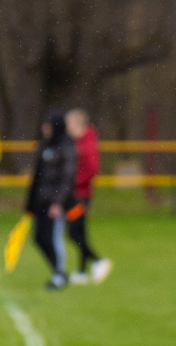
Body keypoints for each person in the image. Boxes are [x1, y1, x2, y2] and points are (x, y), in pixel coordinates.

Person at [25, 110, 76, 290]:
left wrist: (58, 203)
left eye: (47, 125)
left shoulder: (66, 148)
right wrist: (30, 203)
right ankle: (57, 270)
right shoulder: (44, 146)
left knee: (54, 238)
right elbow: (37, 177)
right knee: (39, 238)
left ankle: (59, 274)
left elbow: (66, 179)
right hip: (41, 201)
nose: (44, 129)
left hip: (54, 204)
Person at [65, 108, 111, 284]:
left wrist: (74, 182)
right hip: (76, 195)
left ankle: (98, 261)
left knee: (72, 232)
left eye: (70, 125)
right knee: (80, 231)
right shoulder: (78, 142)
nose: (68, 129)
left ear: (78, 124)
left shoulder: (87, 142)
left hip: (81, 196)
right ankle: (82, 271)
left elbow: (93, 169)